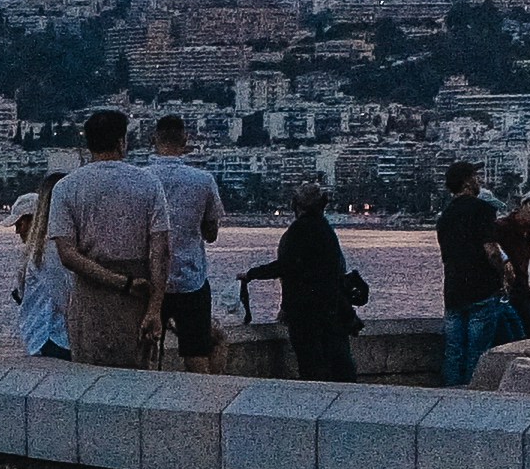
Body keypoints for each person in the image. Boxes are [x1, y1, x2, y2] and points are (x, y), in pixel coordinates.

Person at [46, 110, 175, 366]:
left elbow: (67, 254)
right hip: (139, 294)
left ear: (89, 143)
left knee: (89, 378)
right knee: (136, 378)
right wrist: (154, 307)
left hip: (90, 293)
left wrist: (118, 282)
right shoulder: (148, 183)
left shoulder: (66, 187)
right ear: (121, 141)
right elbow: (161, 251)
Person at [249, 177, 368, 380]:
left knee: (311, 367)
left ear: (297, 205)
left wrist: (251, 274)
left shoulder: (300, 230)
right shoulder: (326, 229)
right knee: (339, 365)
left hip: (306, 313)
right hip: (332, 309)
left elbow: (286, 266)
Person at [144, 114, 223, 365]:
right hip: (191, 280)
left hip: (148, 280)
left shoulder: (140, 178)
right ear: (185, 140)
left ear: (154, 139)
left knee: (145, 354)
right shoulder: (203, 181)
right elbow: (211, 234)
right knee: (197, 355)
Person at [433, 163, 524, 382]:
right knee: (477, 353)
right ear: (466, 181)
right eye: (475, 176)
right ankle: (471, 399)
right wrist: (505, 273)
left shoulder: (445, 216)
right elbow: (491, 251)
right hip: (481, 291)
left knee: (453, 353)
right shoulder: (481, 210)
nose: (479, 180)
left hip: (454, 291)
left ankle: (451, 396)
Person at [8, 183, 70, 357]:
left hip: (49, 335)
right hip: (43, 335)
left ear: (32, 220)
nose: (17, 231)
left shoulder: (44, 251)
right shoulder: (41, 250)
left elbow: (61, 294)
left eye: (19, 224)